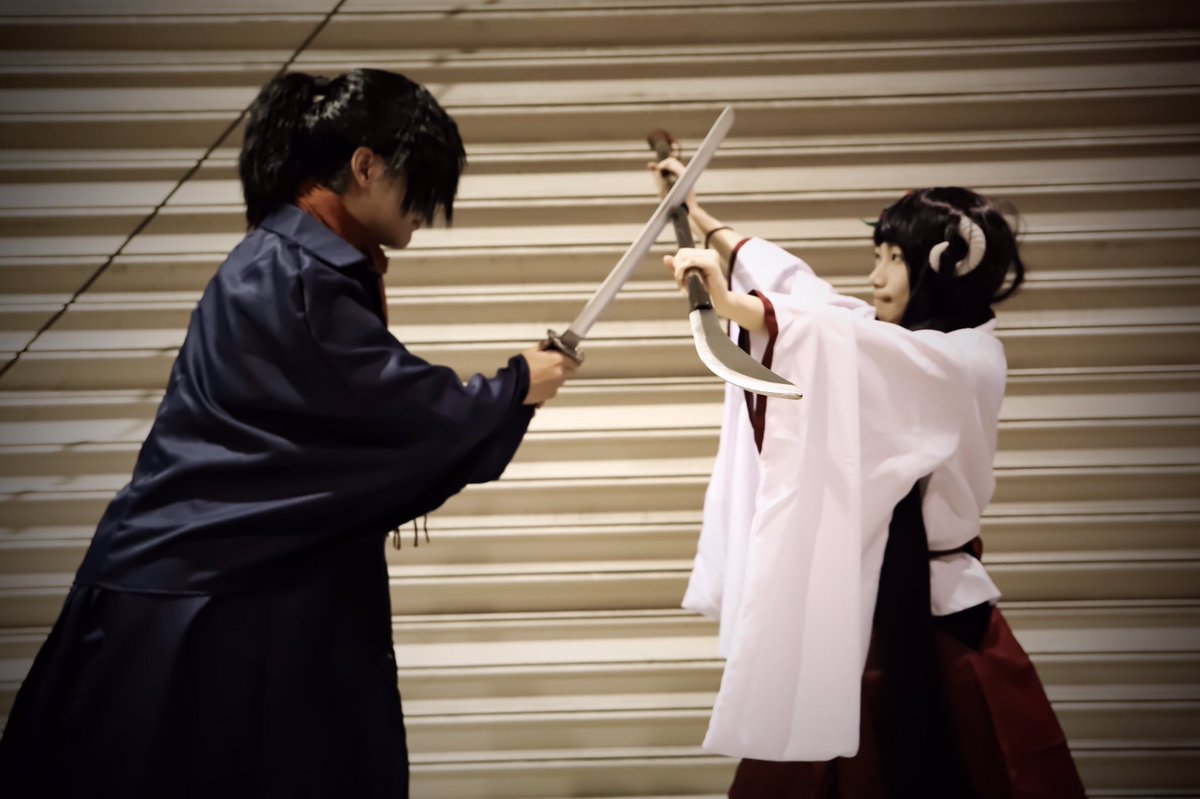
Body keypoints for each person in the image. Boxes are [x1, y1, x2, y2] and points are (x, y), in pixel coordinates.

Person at [0, 69, 576, 799]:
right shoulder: (298, 275)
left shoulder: (286, 259)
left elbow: (356, 424)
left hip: (221, 592)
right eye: (419, 182)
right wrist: (517, 385)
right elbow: (402, 416)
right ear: (365, 166)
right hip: (204, 616)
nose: (428, 210)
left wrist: (509, 392)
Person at [649, 156, 1087, 797]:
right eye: (877, 256)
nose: (876, 277)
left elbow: (828, 332)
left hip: (939, 620)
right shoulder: (898, 339)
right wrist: (697, 214)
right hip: (865, 604)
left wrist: (729, 303)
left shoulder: (966, 360)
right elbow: (801, 290)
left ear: (942, 268)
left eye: (894, 259)